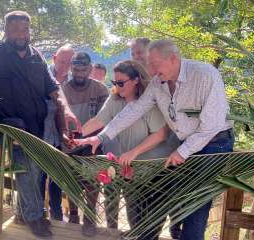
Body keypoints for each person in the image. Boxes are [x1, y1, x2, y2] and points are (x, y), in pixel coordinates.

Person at [76, 39, 234, 240]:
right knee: (167, 199)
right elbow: (134, 110)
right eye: (148, 64)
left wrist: (181, 152)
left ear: (173, 59)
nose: (149, 69)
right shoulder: (158, 82)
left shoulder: (205, 75)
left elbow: (211, 126)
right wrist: (100, 137)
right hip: (185, 144)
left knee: (195, 205)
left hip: (215, 143)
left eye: (154, 64)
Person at [0, 11, 79, 238]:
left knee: (34, 172)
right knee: (26, 171)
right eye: (15, 30)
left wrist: (65, 109)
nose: (20, 34)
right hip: (11, 127)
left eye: (25, 29)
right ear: (6, 31)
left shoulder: (36, 56)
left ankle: (24, 212)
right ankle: (34, 217)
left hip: (37, 126)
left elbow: (53, 88)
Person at [81, 60, 174, 237]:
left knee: (149, 224)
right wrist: (77, 137)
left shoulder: (149, 102)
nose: (116, 86)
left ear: (136, 80)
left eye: (121, 83)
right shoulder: (115, 98)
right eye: (114, 82)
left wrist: (134, 152)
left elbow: (161, 134)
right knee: (134, 219)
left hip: (153, 172)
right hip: (127, 170)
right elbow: (99, 120)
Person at [130, 37, 182, 239]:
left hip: (167, 154)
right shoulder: (132, 83)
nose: (136, 59)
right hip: (140, 157)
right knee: (138, 204)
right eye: (133, 55)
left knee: (167, 201)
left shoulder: (165, 80)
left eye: (140, 54)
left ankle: (173, 231)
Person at [62, 52, 109, 236]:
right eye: (76, 69)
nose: (79, 73)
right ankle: (73, 215)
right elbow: (59, 116)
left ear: (90, 69)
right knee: (72, 183)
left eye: (83, 69)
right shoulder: (63, 89)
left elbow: (104, 119)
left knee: (91, 184)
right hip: (70, 144)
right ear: (71, 69)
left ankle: (89, 219)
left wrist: (88, 138)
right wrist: (65, 135)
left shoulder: (100, 89)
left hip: (92, 145)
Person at [39, 44, 75, 222]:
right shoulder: (42, 74)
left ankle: (57, 216)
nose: (65, 66)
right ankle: (39, 214)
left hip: (61, 139)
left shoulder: (72, 82)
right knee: (38, 177)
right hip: (41, 134)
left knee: (57, 178)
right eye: (62, 61)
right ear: (54, 58)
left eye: (69, 62)